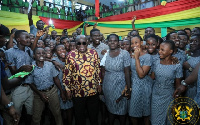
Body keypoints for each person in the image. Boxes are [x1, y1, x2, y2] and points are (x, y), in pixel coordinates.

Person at [63, 35, 101, 125]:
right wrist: (67, 89)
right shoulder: (70, 55)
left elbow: (97, 69)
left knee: (94, 115)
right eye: (78, 43)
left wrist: (99, 83)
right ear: (75, 44)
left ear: (87, 43)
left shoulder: (94, 53)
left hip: (92, 90)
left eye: (84, 43)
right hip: (77, 92)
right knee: (79, 116)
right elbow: (67, 73)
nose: (81, 45)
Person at [27, 47, 65, 125]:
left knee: (57, 114)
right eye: (38, 53)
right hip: (38, 94)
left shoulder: (50, 64)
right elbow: (30, 83)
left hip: (52, 91)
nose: (41, 55)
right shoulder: (31, 67)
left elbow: (56, 78)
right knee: (36, 117)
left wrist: (61, 91)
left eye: (43, 53)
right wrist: (40, 94)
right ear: (34, 55)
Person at [5, 30, 34, 124]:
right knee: (16, 115)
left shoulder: (28, 50)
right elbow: (13, 72)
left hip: (30, 87)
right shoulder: (10, 52)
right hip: (18, 88)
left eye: (29, 37)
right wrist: (21, 69)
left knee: (30, 114)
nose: (29, 39)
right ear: (18, 39)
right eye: (26, 37)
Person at [151, 40, 182, 125]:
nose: (159, 51)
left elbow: (178, 84)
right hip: (156, 94)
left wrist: (177, 99)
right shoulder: (156, 62)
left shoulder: (177, 65)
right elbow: (152, 77)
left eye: (162, 50)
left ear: (170, 51)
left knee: (169, 119)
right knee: (155, 120)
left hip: (169, 95)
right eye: (159, 49)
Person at [102, 34, 131, 125]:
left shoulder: (124, 53)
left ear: (118, 42)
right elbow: (102, 70)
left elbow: (127, 72)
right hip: (108, 85)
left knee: (122, 107)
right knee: (110, 107)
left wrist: (128, 88)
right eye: (110, 41)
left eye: (115, 41)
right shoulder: (106, 53)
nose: (112, 42)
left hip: (120, 84)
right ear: (107, 42)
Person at [129, 35, 152, 125]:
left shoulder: (147, 57)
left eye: (136, 42)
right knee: (133, 113)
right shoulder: (132, 55)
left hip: (144, 87)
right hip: (134, 86)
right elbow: (132, 72)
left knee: (145, 113)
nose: (134, 45)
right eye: (132, 43)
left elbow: (141, 74)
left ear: (141, 43)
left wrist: (137, 58)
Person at [52, 44, 73, 125]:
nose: (62, 51)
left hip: (70, 88)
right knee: (61, 108)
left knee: (70, 108)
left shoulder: (70, 59)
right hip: (59, 88)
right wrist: (62, 91)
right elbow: (56, 78)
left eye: (63, 49)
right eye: (59, 50)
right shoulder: (55, 61)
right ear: (56, 52)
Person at [183, 34, 200, 99]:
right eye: (191, 41)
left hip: (196, 89)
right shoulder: (188, 56)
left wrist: (189, 68)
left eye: (196, 41)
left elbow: (198, 75)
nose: (192, 43)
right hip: (186, 88)